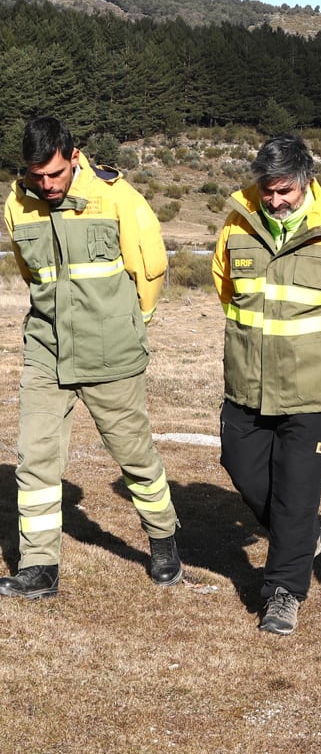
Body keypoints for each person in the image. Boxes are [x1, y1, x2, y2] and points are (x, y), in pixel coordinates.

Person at [0, 116, 181, 599]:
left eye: (55, 174)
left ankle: (163, 538)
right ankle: (39, 566)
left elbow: (151, 266)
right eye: (37, 176)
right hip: (46, 352)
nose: (47, 185)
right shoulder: (17, 203)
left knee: (134, 456)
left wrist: (128, 323)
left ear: (74, 157)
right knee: (34, 458)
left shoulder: (117, 196)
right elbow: (30, 273)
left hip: (111, 354)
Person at [212, 133, 321, 634]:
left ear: (306, 179)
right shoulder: (237, 223)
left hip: (313, 385)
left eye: (285, 189)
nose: (275, 199)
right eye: (267, 189)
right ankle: (305, 536)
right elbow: (226, 290)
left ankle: (283, 593)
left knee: (297, 491)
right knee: (239, 463)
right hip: (248, 379)